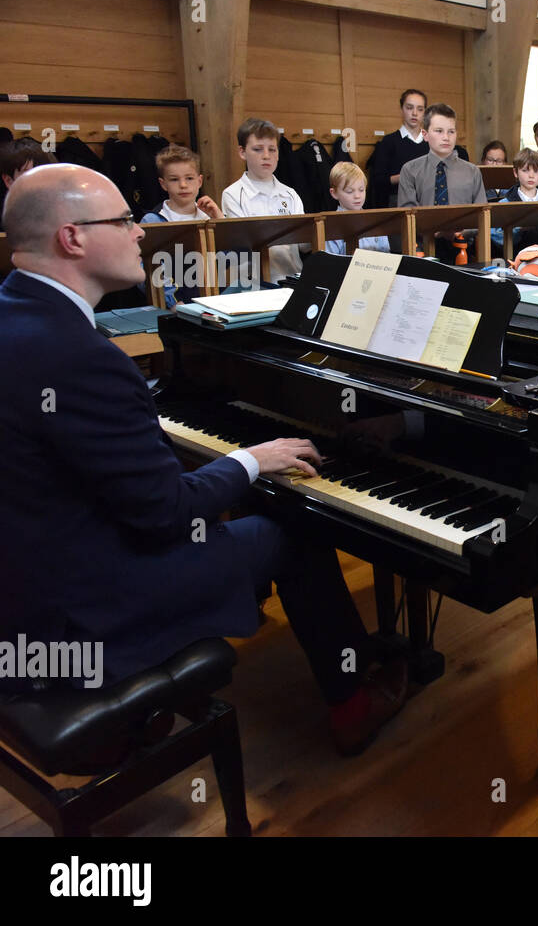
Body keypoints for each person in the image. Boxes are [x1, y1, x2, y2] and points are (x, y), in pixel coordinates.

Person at [0, 164, 408, 756]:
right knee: (294, 528)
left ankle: (243, 607)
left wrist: (228, 463)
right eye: (122, 220)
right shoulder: (79, 355)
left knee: (243, 493)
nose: (141, 232)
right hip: (82, 607)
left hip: (31, 574)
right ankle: (351, 703)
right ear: (73, 238)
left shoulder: (18, 314)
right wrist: (249, 458)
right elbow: (164, 512)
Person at [220, 117, 305, 285]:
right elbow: (243, 243)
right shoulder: (232, 194)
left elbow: (304, 244)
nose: (266, 156)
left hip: (291, 280)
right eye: (258, 149)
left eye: (272, 149)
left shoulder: (290, 194)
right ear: (242, 152)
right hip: (253, 284)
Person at [397, 103, 486, 262]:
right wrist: (434, 230)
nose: (446, 137)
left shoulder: (472, 172)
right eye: (439, 131)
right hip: (423, 249)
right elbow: (406, 215)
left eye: (451, 131)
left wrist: (459, 232)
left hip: (464, 248)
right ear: (425, 134)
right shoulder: (410, 170)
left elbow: (483, 215)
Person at [366, 89, 429, 209]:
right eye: (409, 108)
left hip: (428, 202)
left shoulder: (431, 142)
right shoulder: (388, 142)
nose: (415, 113)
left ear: (425, 112)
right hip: (398, 203)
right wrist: (405, 177)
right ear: (402, 109)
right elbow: (378, 180)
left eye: (420, 109)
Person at [141, 145, 223, 223]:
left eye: (189, 178)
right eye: (174, 179)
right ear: (163, 184)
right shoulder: (152, 220)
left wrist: (220, 221)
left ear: (199, 181)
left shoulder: (211, 216)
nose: (183, 185)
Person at [325, 162, 391, 255]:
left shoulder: (375, 221)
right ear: (334, 193)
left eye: (361, 190)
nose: (357, 196)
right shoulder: (331, 225)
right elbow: (330, 262)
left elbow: (387, 255)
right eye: (349, 191)